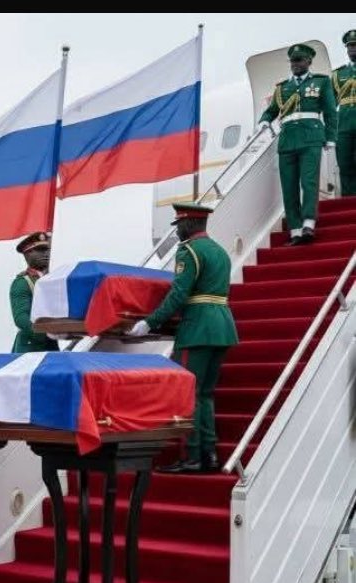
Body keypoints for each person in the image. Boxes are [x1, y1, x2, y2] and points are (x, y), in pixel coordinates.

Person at [128, 203, 239, 472]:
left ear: (189, 224)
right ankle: (209, 454)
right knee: (206, 395)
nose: (177, 231)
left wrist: (149, 321)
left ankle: (191, 457)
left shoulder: (188, 251)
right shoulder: (219, 251)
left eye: (179, 225)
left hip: (197, 329)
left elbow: (178, 294)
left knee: (189, 394)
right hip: (222, 326)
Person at [259, 43, 339, 245]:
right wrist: (264, 121)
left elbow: (330, 112)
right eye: (293, 61)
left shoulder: (321, 83)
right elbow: (272, 111)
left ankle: (309, 224)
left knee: (309, 182)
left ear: (308, 62)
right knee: (289, 186)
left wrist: (331, 138)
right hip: (287, 141)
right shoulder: (282, 88)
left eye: (299, 60)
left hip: (311, 137)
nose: (295, 64)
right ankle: (295, 230)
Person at [10, 231, 59, 352]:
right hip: (30, 346)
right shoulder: (22, 282)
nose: (46, 254)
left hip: (51, 346)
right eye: (40, 250)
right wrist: (44, 334)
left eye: (47, 250)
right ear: (28, 254)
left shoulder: (50, 280)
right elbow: (21, 318)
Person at [334, 30, 356, 197]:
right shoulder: (337, 74)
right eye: (349, 46)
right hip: (344, 124)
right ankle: (349, 199)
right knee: (345, 163)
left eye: (355, 45)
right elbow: (328, 103)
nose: (352, 49)